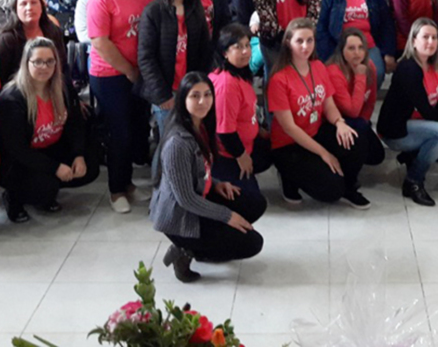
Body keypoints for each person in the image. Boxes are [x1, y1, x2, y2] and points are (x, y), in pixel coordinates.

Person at [151, 72, 264, 283]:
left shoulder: (202, 125)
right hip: (180, 217)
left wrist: (217, 184)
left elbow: (202, 169)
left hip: (199, 197)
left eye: (207, 94)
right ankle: (186, 248)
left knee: (255, 203)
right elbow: (186, 200)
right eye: (195, 96)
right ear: (183, 99)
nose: (203, 101)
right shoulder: (177, 143)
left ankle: (202, 247)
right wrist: (227, 215)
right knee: (252, 242)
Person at [87, 0, 161, 213]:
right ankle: (116, 189)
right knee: (119, 132)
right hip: (110, 74)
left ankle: (128, 183)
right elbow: (100, 42)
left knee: (136, 128)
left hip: (140, 72)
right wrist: (130, 71)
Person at [267, 18, 368, 207]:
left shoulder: (318, 67)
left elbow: (328, 104)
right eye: (299, 41)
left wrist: (339, 123)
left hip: (315, 132)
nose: (305, 46)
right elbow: (289, 128)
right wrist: (324, 153)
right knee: (331, 190)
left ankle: (348, 187)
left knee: (357, 138)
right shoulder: (279, 79)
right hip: (289, 145)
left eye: (310, 40)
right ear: (288, 42)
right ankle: (289, 177)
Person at [0, 37, 99, 223]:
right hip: (19, 160)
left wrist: (78, 155)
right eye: (37, 62)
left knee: (90, 167)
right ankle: (16, 196)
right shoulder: (11, 99)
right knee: (46, 186)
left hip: (50, 147)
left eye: (49, 61)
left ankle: (44, 191)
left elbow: (75, 123)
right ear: (26, 63)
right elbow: (16, 149)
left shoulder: (62, 86)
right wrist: (55, 168)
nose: (44, 67)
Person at [378, 18, 438, 206]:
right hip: (397, 130)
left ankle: (412, 155)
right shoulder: (408, 68)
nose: (430, 42)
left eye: (434, 38)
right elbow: (427, 111)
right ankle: (414, 180)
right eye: (425, 37)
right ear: (413, 41)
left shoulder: (437, 66)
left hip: (421, 126)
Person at [139, 0, 212, 137]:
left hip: (189, 88)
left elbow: (205, 50)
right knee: (170, 140)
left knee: (190, 137)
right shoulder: (153, 11)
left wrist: (199, 85)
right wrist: (162, 95)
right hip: (165, 91)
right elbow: (146, 58)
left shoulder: (196, 10)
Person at [208, 24, 271, 200]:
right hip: (227, 153)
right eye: (238, 47)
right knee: (253, 202)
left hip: (245, 144)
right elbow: (224, 132)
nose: (245, 52)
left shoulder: (241, 74)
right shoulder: (226, 84)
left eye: (247, 46)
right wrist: (241, 156)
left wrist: (259, 131)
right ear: (224, 53)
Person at [316, 0, 396, 88]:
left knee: (377, 73)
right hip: (338, 45)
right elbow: (321, 26)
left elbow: (386, 23)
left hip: (368, 44)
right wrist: (327, 56)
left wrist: (389, 53)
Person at [326, 28, 385, 167]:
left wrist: (363, 124)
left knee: (376, 155)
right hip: (335, 123)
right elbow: (351, 110)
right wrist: (360, 77)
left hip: (356, 120)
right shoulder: (334, 72)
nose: (357, 53)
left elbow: (370, 102)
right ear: (342, 50)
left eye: (360, 48)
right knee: (360, 145)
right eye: (351, 48)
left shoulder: (369, 66)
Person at [0, 0, 65, 86]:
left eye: (34, 3)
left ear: (42, 8)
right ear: (15, 10)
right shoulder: (6, 40)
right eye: (23, 4)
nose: (29, 7)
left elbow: (63, 68)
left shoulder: (53, 32)